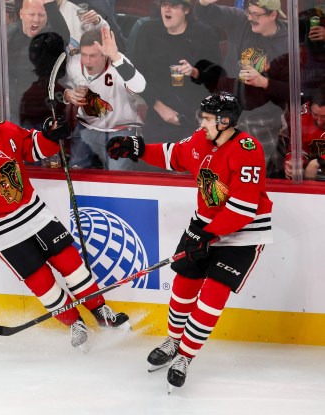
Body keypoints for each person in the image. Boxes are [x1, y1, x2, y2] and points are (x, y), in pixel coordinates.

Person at [106, 92, 273, 391]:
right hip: (205, 225)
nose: (203, 123)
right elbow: (173, 155)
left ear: (225, 122)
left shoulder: (247, 149)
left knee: (212, 296)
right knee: (184, 285)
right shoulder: (202, 139)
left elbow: (244, 207)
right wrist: (137, 148)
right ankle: (173, 341)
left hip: (243, 234)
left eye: (209, 119)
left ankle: (185, 355)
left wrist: (210, 236)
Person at [0, 90, 130, 351]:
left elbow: (33, 148)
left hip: (34, 214)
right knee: (41, 281)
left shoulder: (7, 131)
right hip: (1, 231)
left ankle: (101, 311)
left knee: (71, 263)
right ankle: (74, 323)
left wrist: (50, 136)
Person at [194, 0, 289, 177]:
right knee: (219, 172)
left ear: (273, 15)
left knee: (258, 175)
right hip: (229, 113)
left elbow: (292, 89)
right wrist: (203, 3)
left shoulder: (288, 40)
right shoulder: (239, 20)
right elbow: (204, 14)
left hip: (264, 119)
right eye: (248, 12)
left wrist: (264, 82)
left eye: (257, 14)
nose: (251, 18)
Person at [133, 0, 220, 147]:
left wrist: (195, 72)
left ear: (186, 10)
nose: (166, 9)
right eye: (163, 4)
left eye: (173, 5)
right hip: (158, 115)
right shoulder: (148, 31)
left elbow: (216, 76)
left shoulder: (204, 34)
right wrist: (158, 106)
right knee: (154, 165)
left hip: (194, 117)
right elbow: (136, 75)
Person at [63, 27, 145, 170]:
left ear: (105, 54)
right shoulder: (74, 64)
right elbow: (63, 85)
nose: (87, 61)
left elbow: (140, 86)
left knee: (117, 181)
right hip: (86, 128)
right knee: (76, 175)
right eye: (84, 54)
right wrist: (67, 93)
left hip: (120, 131)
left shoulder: (119, 63)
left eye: (93, 55)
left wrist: (116, 57)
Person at [0, 0, 70, 125]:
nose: (36, 20)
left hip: (43, 113)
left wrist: (50, 5)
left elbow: (63, 36)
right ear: (21, 14)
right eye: (31, 14)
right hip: (13, 113)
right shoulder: (8, 37)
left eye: (41, 15)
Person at [284, 86, 325, 180]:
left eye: (324, 117)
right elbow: (299, 147)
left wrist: (319, 161)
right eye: (315, 115)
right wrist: (293, 162)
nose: (319, 122)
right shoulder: (302, 116)